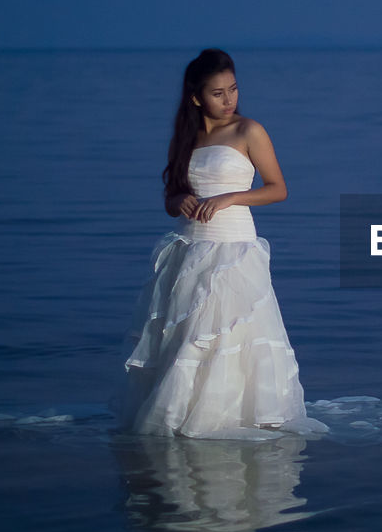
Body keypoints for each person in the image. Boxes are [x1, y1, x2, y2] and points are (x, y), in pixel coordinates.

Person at [112, 48, 328, 439]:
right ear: (196, 97)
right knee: (187, 339)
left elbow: (278, 189)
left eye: (233, 89)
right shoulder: (186, 137)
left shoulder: (250, 131)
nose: (229, 100)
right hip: (190, 251)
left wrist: (230, 197)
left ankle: (230, 417)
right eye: (218, 93)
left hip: (234, 251)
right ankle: (178, 418)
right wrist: (179, 201)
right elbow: (170, 198)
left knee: (231, 335)